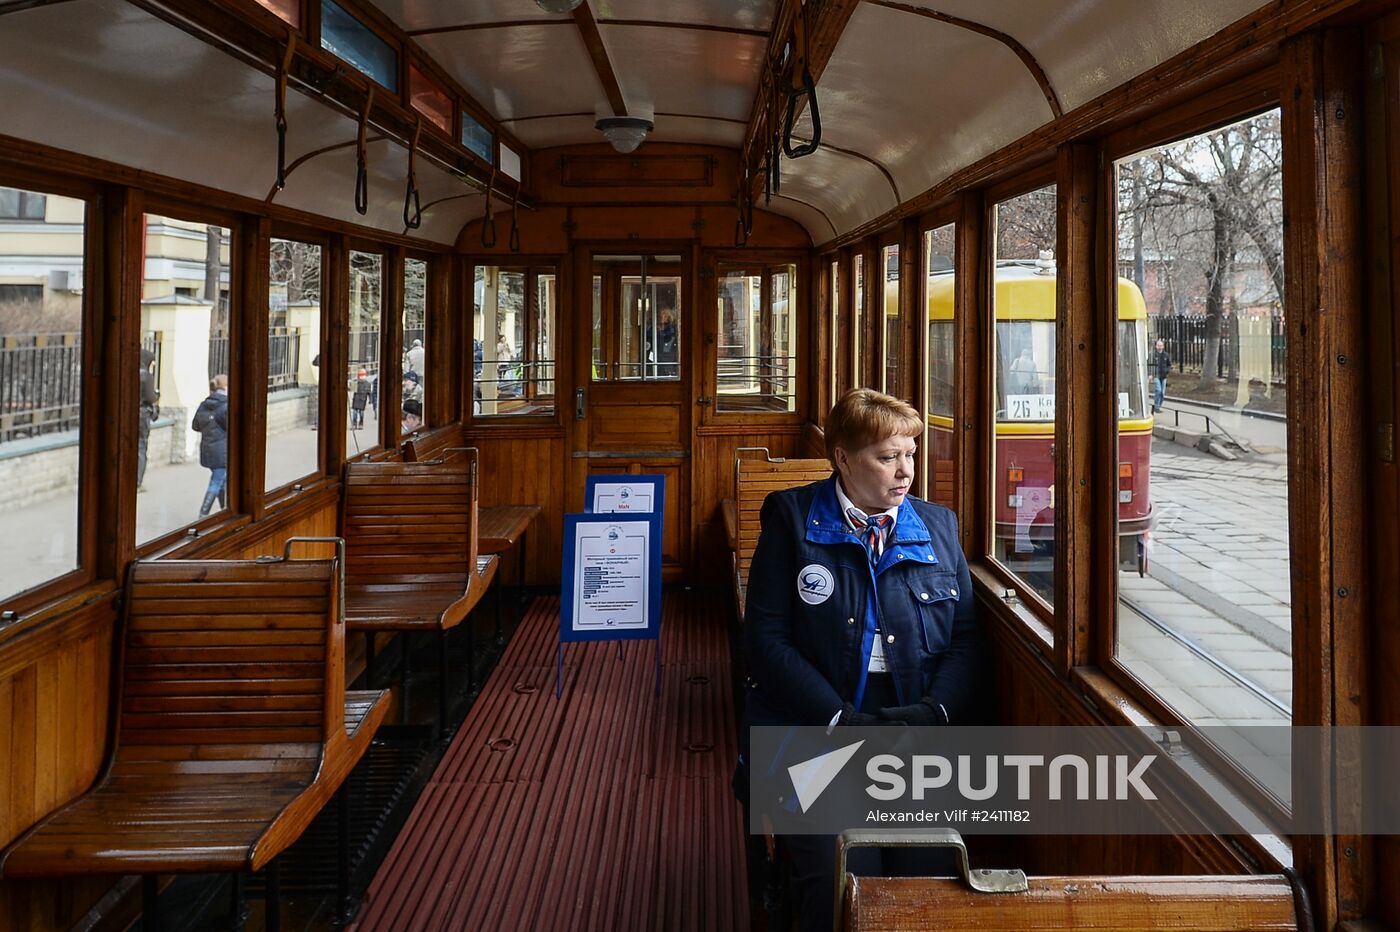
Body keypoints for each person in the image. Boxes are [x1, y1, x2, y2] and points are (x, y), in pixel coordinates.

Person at [737, 388, 985, 932]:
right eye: (887, 457)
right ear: (843, 458)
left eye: (911, 454)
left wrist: (933, 714)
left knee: (931, 871)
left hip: (908, 724)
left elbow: (964, 638)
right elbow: (767, 640)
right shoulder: (792, 520)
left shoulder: (937, 527)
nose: (905, 472)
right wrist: (837, 719)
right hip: (815, 724)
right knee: (841, 873)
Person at [192, 374, 229, 518]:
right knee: (217, 481)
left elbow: (195, 426)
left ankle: (225, 508)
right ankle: (203, 514)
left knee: (222, 479)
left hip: (208, 449)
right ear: (225, 387)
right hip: (222, 451)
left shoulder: (204, 404)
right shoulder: (225, 406)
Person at [137, 349, 159, 492]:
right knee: (141, 447)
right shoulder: (146, 376)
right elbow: (151, 397)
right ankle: (137, 481)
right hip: (142, 415)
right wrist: (157, 394)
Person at [1153, 338, 1171, 412]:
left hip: (1163, 376)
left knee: (1162, 393)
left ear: (1163, 346)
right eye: (1158, 345)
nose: (1159, 347)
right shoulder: (1153, 355)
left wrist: (1167, 371)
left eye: (1161, 345)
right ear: (1156, 346)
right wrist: (1150, 374)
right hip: (1156, 375)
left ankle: (1159, 405)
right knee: (1159, 390)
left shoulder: (1166, 355)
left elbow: (1169, 365)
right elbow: (1149, 365)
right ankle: (1156, 406)